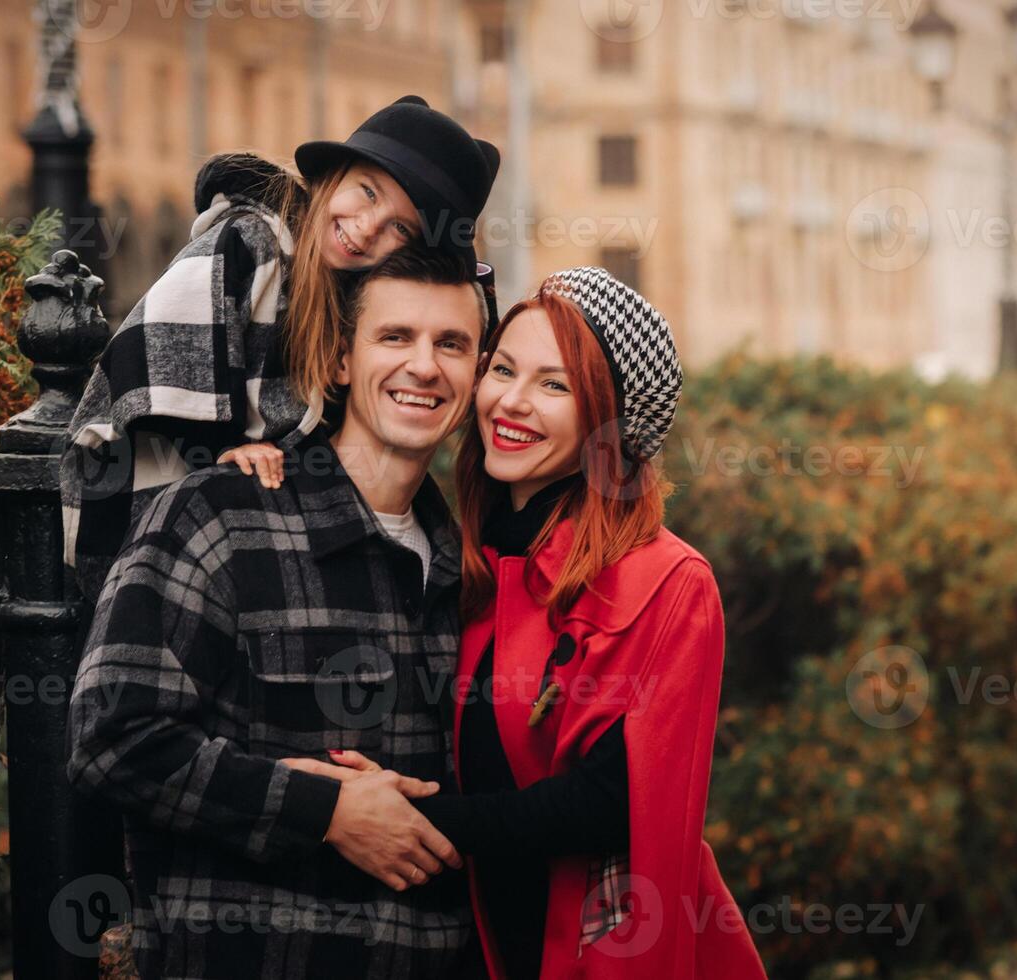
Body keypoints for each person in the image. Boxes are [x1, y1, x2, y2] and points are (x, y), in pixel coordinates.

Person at [285, 268, 768, 978]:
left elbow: (610, 801)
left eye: (555, 385)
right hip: (480, 945)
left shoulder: (666, 580)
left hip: (605, 951)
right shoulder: (466, 561)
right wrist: (271, 450)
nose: (511, 402)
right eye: (503, 369)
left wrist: (396, 817)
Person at [66, 247, 493, 979]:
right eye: (396, 337)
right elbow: (113, 737)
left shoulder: (472, 571)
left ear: (477, 375)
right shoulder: (219, 517)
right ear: (339, 362)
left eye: (451, 344)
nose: (425, 366)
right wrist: (325, 811)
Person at [60, 95, 500, 599]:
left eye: (401, 227)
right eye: (369, 193)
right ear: (335, 174)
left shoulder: (340, 292)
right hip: (138, 500)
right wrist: (222, 447)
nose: (368, 226)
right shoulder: (252, 238)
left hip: (230, 532)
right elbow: (156, 353)